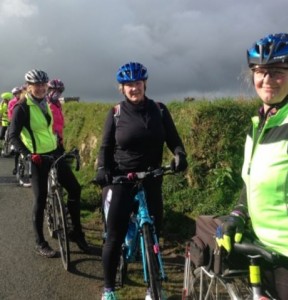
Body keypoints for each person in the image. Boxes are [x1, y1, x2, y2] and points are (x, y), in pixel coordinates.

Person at [216, 33, 288, 299]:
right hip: (262, 248)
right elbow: (250, 180)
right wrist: (238, 214)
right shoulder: (258, 125)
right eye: (260, 71)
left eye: (277, 72)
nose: (267, 79)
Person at [95, 62, 188, 300]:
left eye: (137, 83)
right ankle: (109, 289)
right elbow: (105, 147)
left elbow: (174, 140)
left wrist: (179, 155)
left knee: (155, 231)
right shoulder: (116, 113)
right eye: (129, 85)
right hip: (122, 178)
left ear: (144, 83)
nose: (134, 88)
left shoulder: (159, 110)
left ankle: (154, 288)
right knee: (114, 236)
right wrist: (103, 170)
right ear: (122, 88)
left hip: (151, 178)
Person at [9, 69, 89, 258]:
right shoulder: (22, 107)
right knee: (40, 199)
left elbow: (49, 130)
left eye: (43, 85)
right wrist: (28, 154)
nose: (40, 88)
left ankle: (76, 232)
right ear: (29, 87)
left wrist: (61, 147)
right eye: (36, 85)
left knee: (75, 189)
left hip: (54, 153)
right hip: (38, 158)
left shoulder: (46, 103)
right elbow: (12, 136)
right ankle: (40, 242)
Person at [8, 86, 23, 174]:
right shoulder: (12, 102)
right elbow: (10, 113)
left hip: (24, 126)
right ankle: (16, 168)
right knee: (17, 149)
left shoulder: (24, 100)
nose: (19, 94)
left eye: (19, 92)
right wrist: (11, 120)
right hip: (14, 122)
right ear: (14, 94)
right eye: (17, 93)